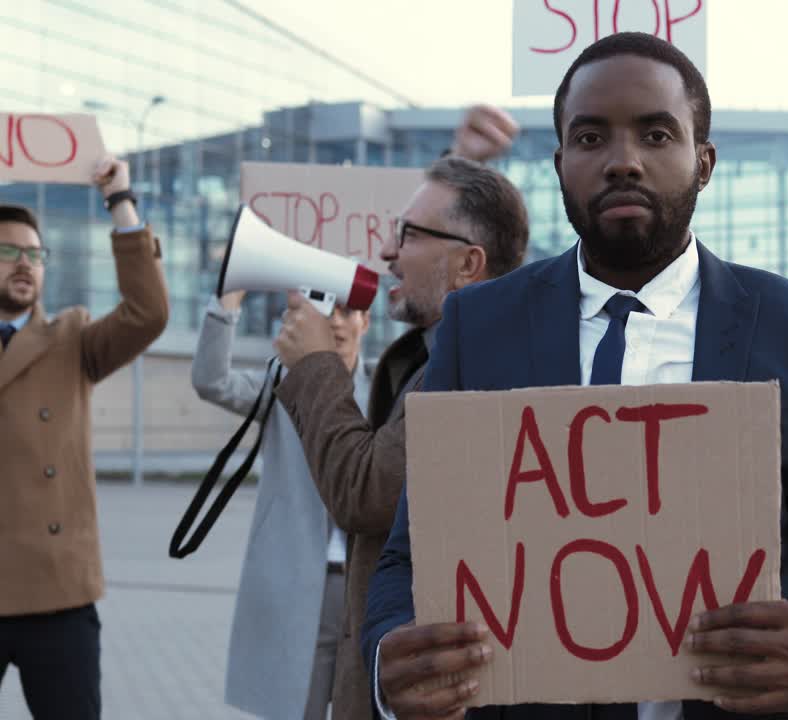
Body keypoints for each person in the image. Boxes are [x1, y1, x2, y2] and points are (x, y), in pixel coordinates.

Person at [365, 32, 788, 720]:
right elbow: (408, 561)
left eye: (657, 135)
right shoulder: (477, 328)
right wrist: (388, 661)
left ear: (704, 162)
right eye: (592, 138)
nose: (624, 162)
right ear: (560, 162)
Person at [269, 108, 529, 719]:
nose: (387, 250)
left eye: (408, 235)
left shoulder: (473, 372)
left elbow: (364, 493)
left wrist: (315, 367)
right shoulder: (440, 354)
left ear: (469, 264)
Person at [0, 157, 168, 719]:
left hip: (59, 596)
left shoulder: (69, 338)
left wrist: (119, 198)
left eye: (34, 254)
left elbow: (148, 312)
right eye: (8, 251)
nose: (24, 264)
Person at [191, 289, 372, 719]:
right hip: (300, 584)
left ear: (366, 321)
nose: (338, 323)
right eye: (327, 311)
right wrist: (228, 301)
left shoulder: (389, 387)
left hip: (366, 584)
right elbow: (211, 380)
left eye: (350, 311)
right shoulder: (283, 384)